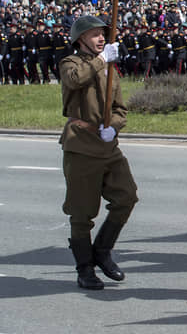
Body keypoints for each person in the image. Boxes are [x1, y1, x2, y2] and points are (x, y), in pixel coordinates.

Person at [59, 16, 138, 290]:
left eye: (103, 34)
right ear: (80, 39)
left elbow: (120, 108)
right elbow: (75, 80)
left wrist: (113, 127)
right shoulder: (72, 63)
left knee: (127, 196)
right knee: (82, 213)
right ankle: (85, 269)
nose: (101, 38)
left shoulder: (108, 67)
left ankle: (102, 251)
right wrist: (102, 60)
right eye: (94, 34)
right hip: (81, 145)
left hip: (107, 145)